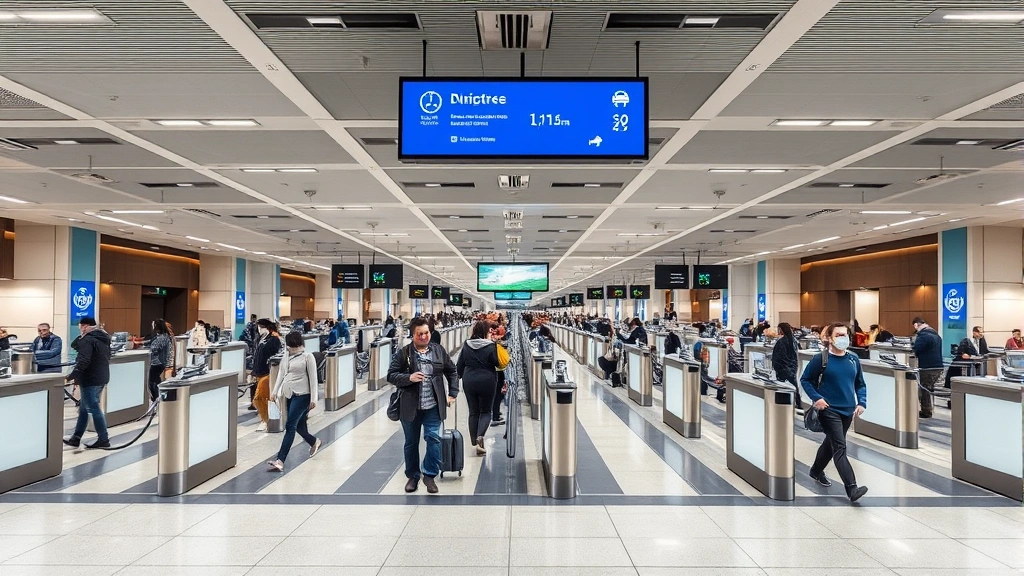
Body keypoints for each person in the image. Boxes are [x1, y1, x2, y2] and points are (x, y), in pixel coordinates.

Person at [800, 322, 869, 503]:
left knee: (831, 443)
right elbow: (806, 380)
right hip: (829, 409)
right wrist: (817, 398)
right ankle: (852, 488)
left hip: (848, 409)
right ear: (829, 338)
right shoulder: (821, 359)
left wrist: (861, 402)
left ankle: (815, 470)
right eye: (838, 335)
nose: (842, 338)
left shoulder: (853, 359)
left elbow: (860, 383)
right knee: (840, 447)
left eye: (845, 334)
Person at [388, 317, 458, 494]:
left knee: (433, 438)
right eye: (419, 334)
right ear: (413, 335)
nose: (423, 336)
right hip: (410, 407)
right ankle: (413, 476)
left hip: (433, 406)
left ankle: (429, 474)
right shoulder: (404, 353)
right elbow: (391, 375)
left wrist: (453, 393)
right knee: (411, 443)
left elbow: (452, 370)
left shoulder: (438, 351)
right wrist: (408, 378)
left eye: (426, 333)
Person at [267, 331, 322, 472]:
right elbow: (281, 374)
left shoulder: (307, 357)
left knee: (290, 425)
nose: (291, 348)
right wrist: (274, 392)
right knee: (299, 427)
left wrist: (314, 399)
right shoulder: (286, 356)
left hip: (303, 395)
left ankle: (280, 459)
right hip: (290, 394)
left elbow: (314, 379)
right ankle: (314, 441)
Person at [63, 317, 112, 449]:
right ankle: (76, 437)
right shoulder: (103, 337)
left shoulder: (88, 339)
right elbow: (75, 344)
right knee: (84, 409)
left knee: (93, 408)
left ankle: (104, 439)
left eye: (80, 326)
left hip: (90, 378)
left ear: (84, 326)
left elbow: (84, 360)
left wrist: (72, 376)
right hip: (101, 377)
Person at [457, 320, 502, 455]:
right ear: (485, 332)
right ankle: (480, 436)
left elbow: (460, 365)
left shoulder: (466, 345)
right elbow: (497, 362)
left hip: (469, 380)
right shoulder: (491, 346)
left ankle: (473, 440)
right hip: (487, 380)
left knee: (473, 411)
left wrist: (457, 378)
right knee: (486, 411)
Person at [251, 318, 282, 431]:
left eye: (261, 327)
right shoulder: (260, 339)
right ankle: (265, 419)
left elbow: (275, 356)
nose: (259, 329)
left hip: (268, 373)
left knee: (259, 398)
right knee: (263, 398)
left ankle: (266, 419)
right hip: (259, 372)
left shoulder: (274, 339)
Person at [912, 317, 944, 419]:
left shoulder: (923, 336)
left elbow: (916, 349)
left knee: (924, 389)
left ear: (917, 325)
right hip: (938, 366)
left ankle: (926, 411)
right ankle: (930, 408)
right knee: (930, 388)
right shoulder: (936, 335)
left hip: (927, 366)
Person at [771, 322, 804, 410]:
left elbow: (777, 357)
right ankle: (798, 404)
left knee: (782, 388)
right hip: (793, 368)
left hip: (783, 369)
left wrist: (777, 368)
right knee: (794, 387)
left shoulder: (781, 342)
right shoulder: (794, 341)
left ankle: (783, 406)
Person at [147, 319, 172, 401]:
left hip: (157, 362)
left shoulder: (161, 338)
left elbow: (154, 349)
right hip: (161, 362)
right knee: (155, 379)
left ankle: (156, 398)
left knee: (153, 381)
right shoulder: (165, 336)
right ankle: (157, 398)